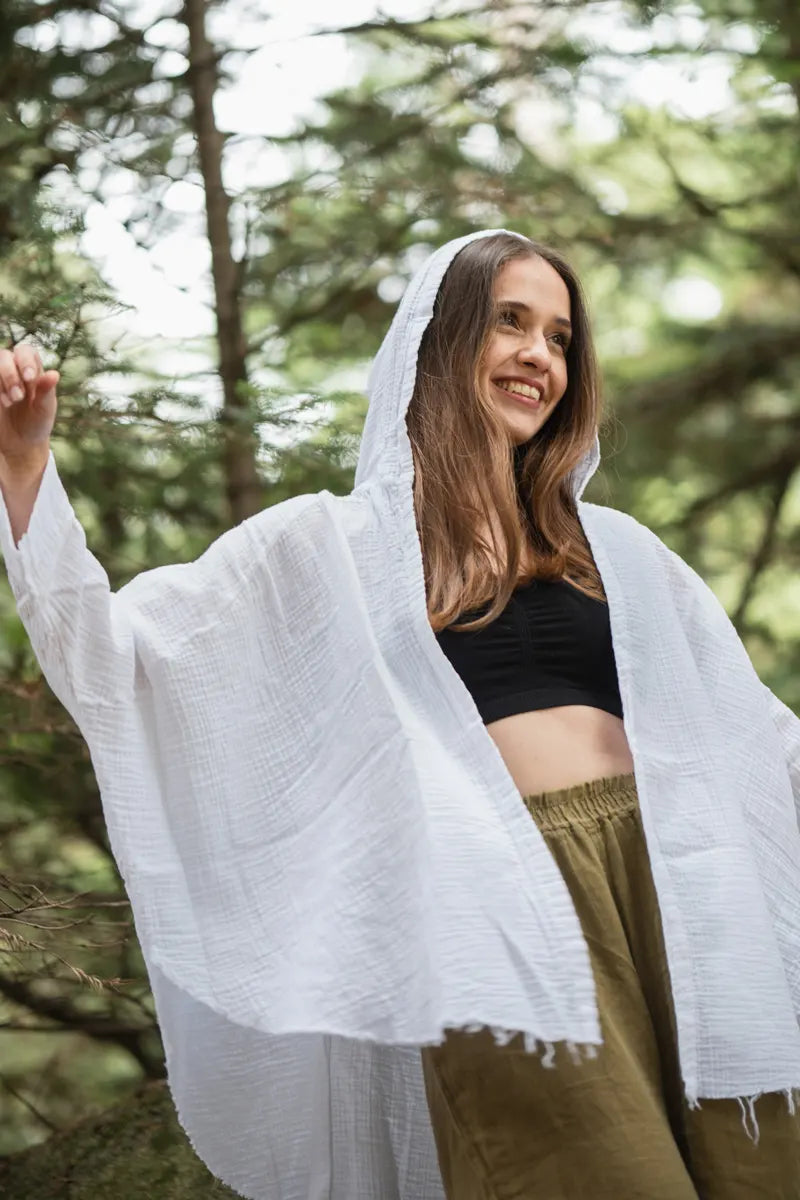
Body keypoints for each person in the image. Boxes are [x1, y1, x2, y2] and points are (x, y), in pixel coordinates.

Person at [1, 228, 800, 1200]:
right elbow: (113, 666)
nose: (538, 355)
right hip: (486, 920)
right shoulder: (323, 548)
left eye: (559, 338)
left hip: (682, 894)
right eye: (509, 322)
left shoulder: (619, 553)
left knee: (753, 1173)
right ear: (437, 339)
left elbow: (759, 744)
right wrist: (26, 471)